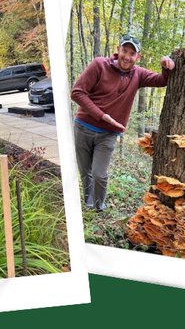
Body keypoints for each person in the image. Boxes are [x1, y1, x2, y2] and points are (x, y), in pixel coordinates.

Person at [71, 35, 175, 211]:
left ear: (138, 57)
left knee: (99, 173)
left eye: (132, 53)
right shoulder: (99, 65)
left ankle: (98, 207)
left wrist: (166, 66)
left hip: (108, 134)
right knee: (85, 171)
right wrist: (101, 115)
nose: (127, 56)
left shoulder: (138, 74)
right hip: (83, 127)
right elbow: (77, 92)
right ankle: (87, 202)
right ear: (118, 49)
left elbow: (161, 80)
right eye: (124, 50)